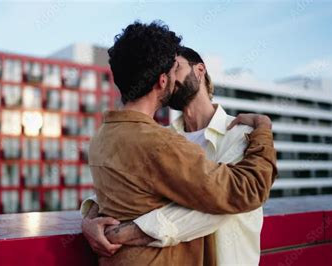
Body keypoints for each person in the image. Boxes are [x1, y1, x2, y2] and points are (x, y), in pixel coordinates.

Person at [82, 20, 277, 265]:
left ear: (200, 70)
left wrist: (130, 230)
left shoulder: (240, 134)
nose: (174, 76)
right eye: (171, 69)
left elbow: (229, 204)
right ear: (162, 81)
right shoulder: (162, 139)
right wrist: (89, 220)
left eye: (177, 66)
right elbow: (240, 192)